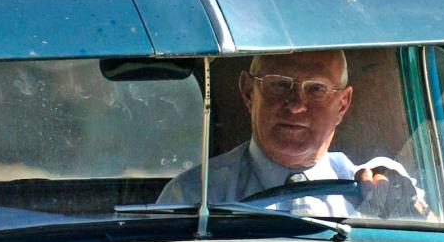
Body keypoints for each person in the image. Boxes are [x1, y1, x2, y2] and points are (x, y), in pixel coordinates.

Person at [157, 50, 428, 219]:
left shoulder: (374, 188)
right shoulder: (194, 196)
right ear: (249, 92)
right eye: (279, 84)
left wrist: (407, 210)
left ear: (342, 104)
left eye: (316, 89)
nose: (296, 105)